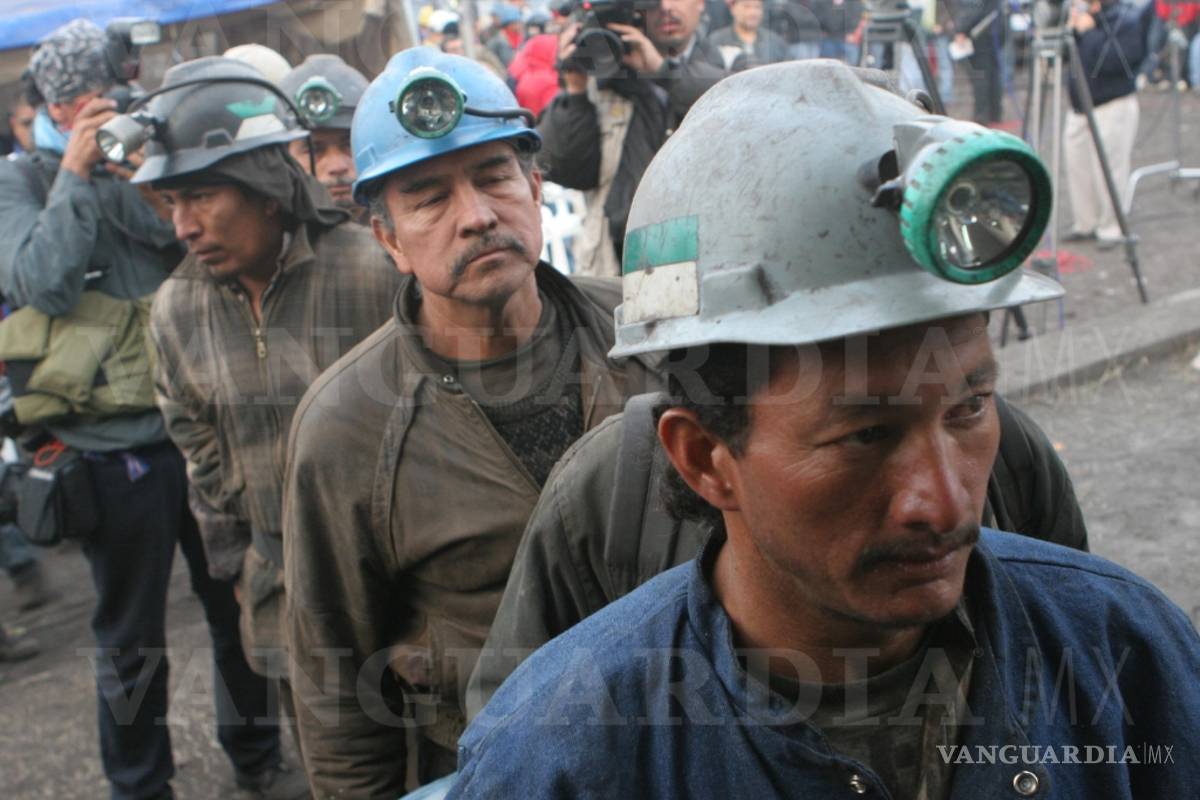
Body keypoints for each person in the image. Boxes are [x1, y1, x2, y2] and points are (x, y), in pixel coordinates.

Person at [447, 61, 1200, 798]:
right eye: (865, 437)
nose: (943, 504)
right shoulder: (561, 757)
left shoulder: (1128, 656)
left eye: (969, 408)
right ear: (705, 457)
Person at [283, 48, 661, 796]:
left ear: (535, 186)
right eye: (428, 198)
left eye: (493, 177)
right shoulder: (345, 426)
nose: (478, 216)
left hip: (691, 750)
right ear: (387, 239)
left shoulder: (647, 332)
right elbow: (333, 680)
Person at [0, 20, 296, 800]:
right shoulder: (19, 182)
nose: (106, 110)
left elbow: (177, 244)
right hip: (106, 445)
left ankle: (258, 757)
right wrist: (75, 172)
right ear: (59, 110)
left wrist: (133, 165)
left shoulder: (147, 159)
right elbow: (43, 284)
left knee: (236, 607)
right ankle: (140, 784)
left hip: (193, 424)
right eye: (88, 103)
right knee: (130, 639)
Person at [140, 56, 402, 796]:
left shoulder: (375, 271)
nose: (184, 225)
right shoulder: (176, 309)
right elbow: (193, 437)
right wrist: (242, 556)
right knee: (339, 772)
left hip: (403, 586)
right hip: (281, 593)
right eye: (169, 202)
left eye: (201, 196)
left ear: (264, 186)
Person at [538, 0, 726, 276]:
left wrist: (663, 72)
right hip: (618, 261)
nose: (665, 8)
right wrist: (575, 90)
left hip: (707, 248)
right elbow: (568, 170)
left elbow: (732, 110)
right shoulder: (602, 80)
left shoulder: (728, 61)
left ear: (701, 4)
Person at [1064, 0, 1151, 249]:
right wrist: (1070, 29)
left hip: (1111, 104)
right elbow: (1062, 55)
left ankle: (1111, 226)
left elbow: (1113, 61)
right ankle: (1085, 222)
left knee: (1110, 168)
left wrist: (1089, 32)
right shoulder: (1082, 17)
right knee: (1078, 168)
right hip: (1079, 106)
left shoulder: (1126, 18)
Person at [280, 54, 370, 220]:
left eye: (350, 145)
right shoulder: (271, 241)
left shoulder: (404, 235)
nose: (337, 167)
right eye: (314, 150)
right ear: (286, 160)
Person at [953, 0, 1005, 124]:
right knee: (993, 76)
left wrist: (961, 30)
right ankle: (995, 113)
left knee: (981, 78)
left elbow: (974, 8)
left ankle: (982, 115)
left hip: (980, 37)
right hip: (993, 34)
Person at [708, 0, 790, 68]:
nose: (753, 12)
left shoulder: (776, 42)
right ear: (732, 9)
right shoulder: (716, 41)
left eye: (757, 7)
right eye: (746, 6)